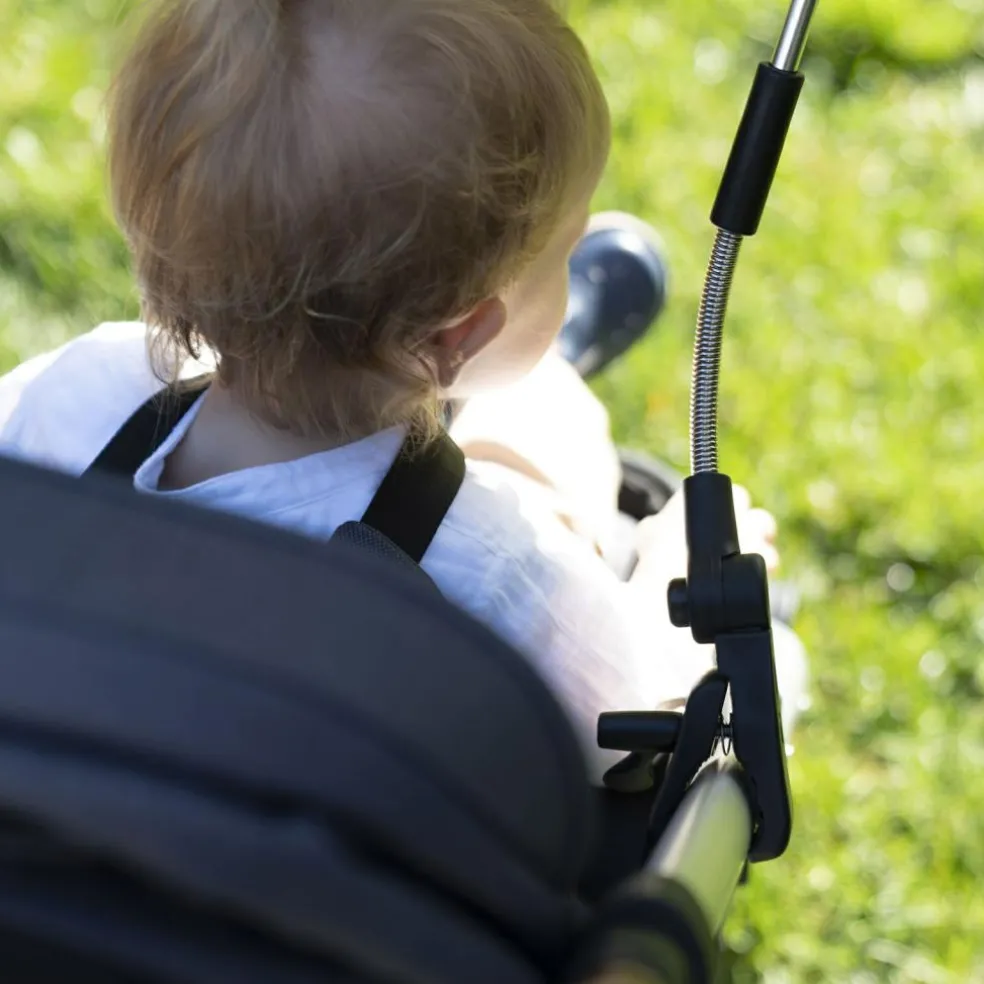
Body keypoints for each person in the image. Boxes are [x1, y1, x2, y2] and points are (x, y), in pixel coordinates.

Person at [0, 0, 806, 779]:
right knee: (546, 452)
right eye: (561, 251)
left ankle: (528, 369)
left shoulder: (77, 397)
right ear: (460, 334)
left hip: (66, 838)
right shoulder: (490, 574)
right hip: (324, 871)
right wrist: (684, 567)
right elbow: (648, 720)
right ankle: (552, 367)